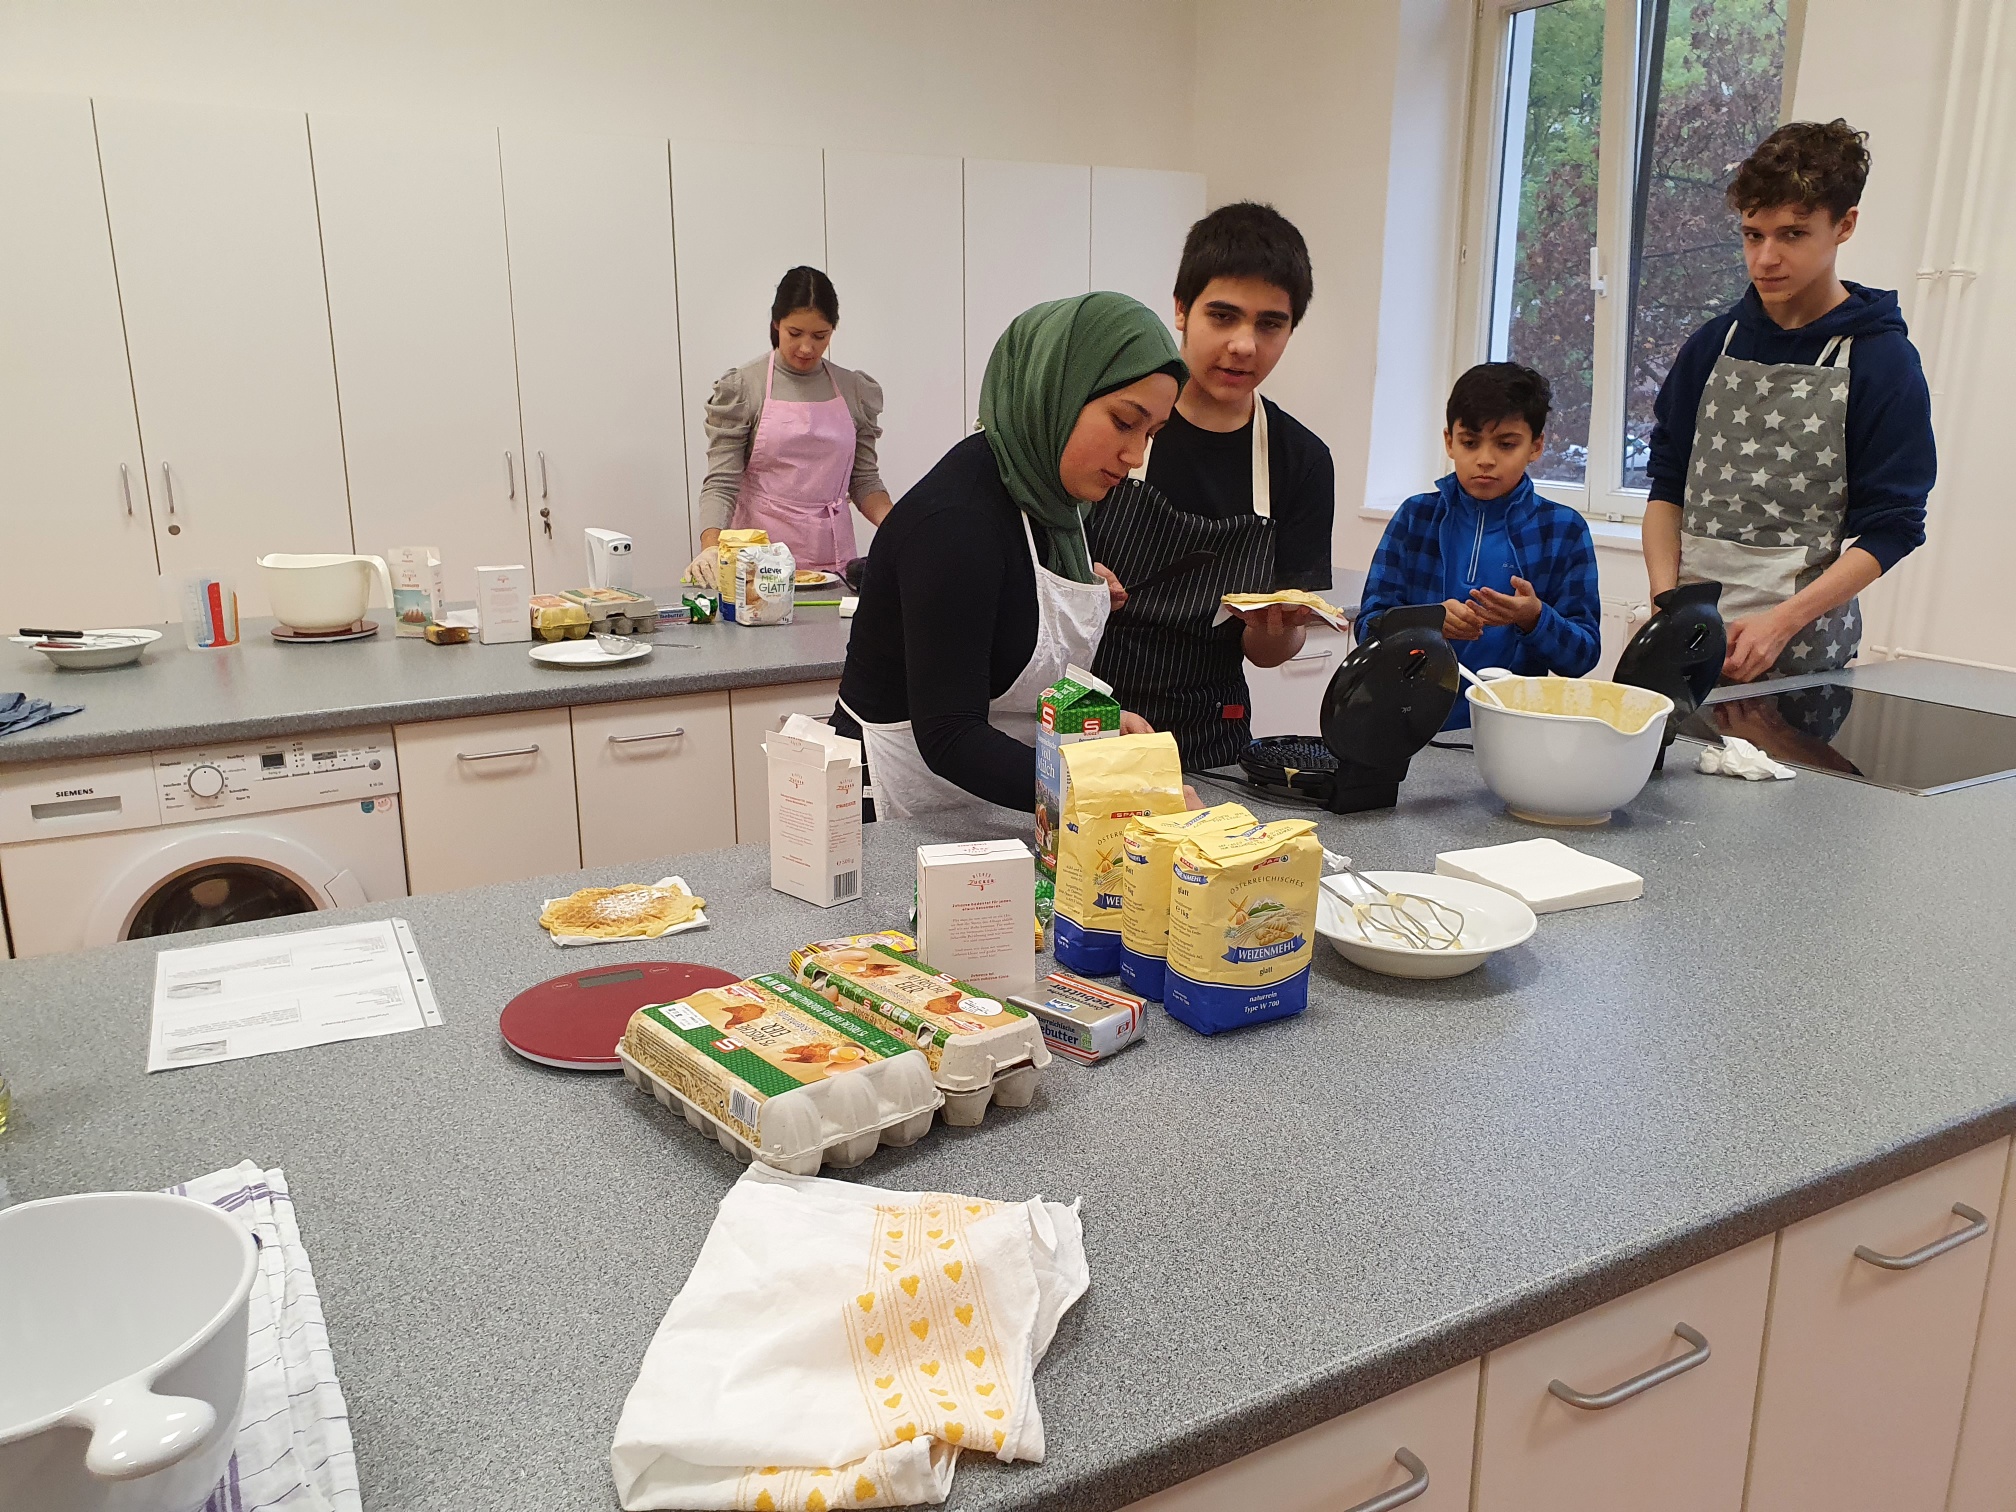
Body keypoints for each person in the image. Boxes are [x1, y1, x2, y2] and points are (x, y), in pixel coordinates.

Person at [830, 293, 1186, 819]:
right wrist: (1111, 790)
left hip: (994, 804)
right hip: (895, 811)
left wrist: (1098, 734)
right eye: (1123, 421)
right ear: (1055, 390)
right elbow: (950, 734)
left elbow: (1015, 673)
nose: (1135, 456)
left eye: (1151, 434)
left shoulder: (1056, 505)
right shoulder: (955, 521)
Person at [1641, 119, 1934, 684]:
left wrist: (1782, 622)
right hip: (1689, 647)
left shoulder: (1881, 362)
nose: (1765, 258)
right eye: (1753, 235)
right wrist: (1665, 603)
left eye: (1792, 234)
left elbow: (1894, 527)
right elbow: (1668, 486)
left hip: (1803, 659)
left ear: (1844, 225)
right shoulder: (1711, 346)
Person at [1088, 202, 1337, 769]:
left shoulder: (1300, 461)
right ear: (1181, 309)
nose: (1245, 345)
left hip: (1213, 738)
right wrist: (1078, 588)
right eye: (1223, 316)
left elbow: (1268, 654)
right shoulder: (1115, 421)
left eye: (1270, 324)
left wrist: (1276, 630)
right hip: (1090, 720)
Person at [1359, 363, 1601, 731]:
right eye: (1470, 442)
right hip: (1407, 722)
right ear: (1449, 442)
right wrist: (1428, 623)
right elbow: (1367, 629)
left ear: (1536, 446)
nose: (1485, 459)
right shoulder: (1415, 517)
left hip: (1512, 727)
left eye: (1506, 444)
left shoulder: (1563, 530)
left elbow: (1583, 656)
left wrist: (1535, 618)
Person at [684, 266, 893, 584]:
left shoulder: (854, 390)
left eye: (820, 336)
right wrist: (710, 548)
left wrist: (902, 528)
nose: (807, 348)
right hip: (758, 564)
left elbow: (864, 480)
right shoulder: (744, 388)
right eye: (795, 333)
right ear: (776, 324)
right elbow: (722, 482)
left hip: (834, 560)